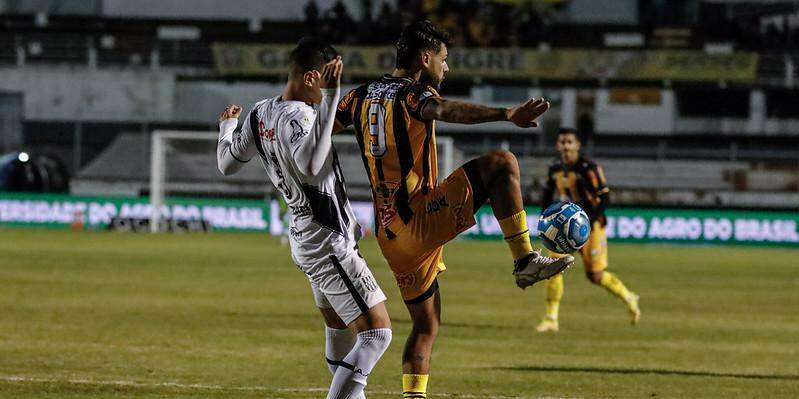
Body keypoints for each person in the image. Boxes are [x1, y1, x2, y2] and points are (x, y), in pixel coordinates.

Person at [334, 20, 574, 399]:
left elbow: (322, 127)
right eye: (444, 60)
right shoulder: (414, 95)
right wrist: (506, 114)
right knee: (501, 163)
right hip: (418, 217)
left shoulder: (360, 95)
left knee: (426, 326)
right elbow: (444, 110)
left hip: (389, 236)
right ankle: (524, 258)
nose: (447, 68)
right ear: (425, 58)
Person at [216, 37, 391, 399]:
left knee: (341, 330)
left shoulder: (260, 112)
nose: (331, 94)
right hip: (327, 240)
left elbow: (227, 164)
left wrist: (226, 129)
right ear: (312, 78)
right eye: (329, 84)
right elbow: (311, 165)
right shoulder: (302, 116)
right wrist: (328, 107)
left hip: (306, 235)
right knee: (377, 334)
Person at [535, 127, 640, 333]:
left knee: (595, 276)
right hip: (566, 227)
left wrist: (589, 221)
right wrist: (545, 219)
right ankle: (551, 319)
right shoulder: (554, 168)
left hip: (592, 226)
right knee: (554, 266)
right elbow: (547, 194)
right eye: (562, 142)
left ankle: (629, 297)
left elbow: (605, 198)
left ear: (577, 146)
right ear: (557, 145)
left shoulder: (588, 168)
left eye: (569, 142)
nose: (565, 146)